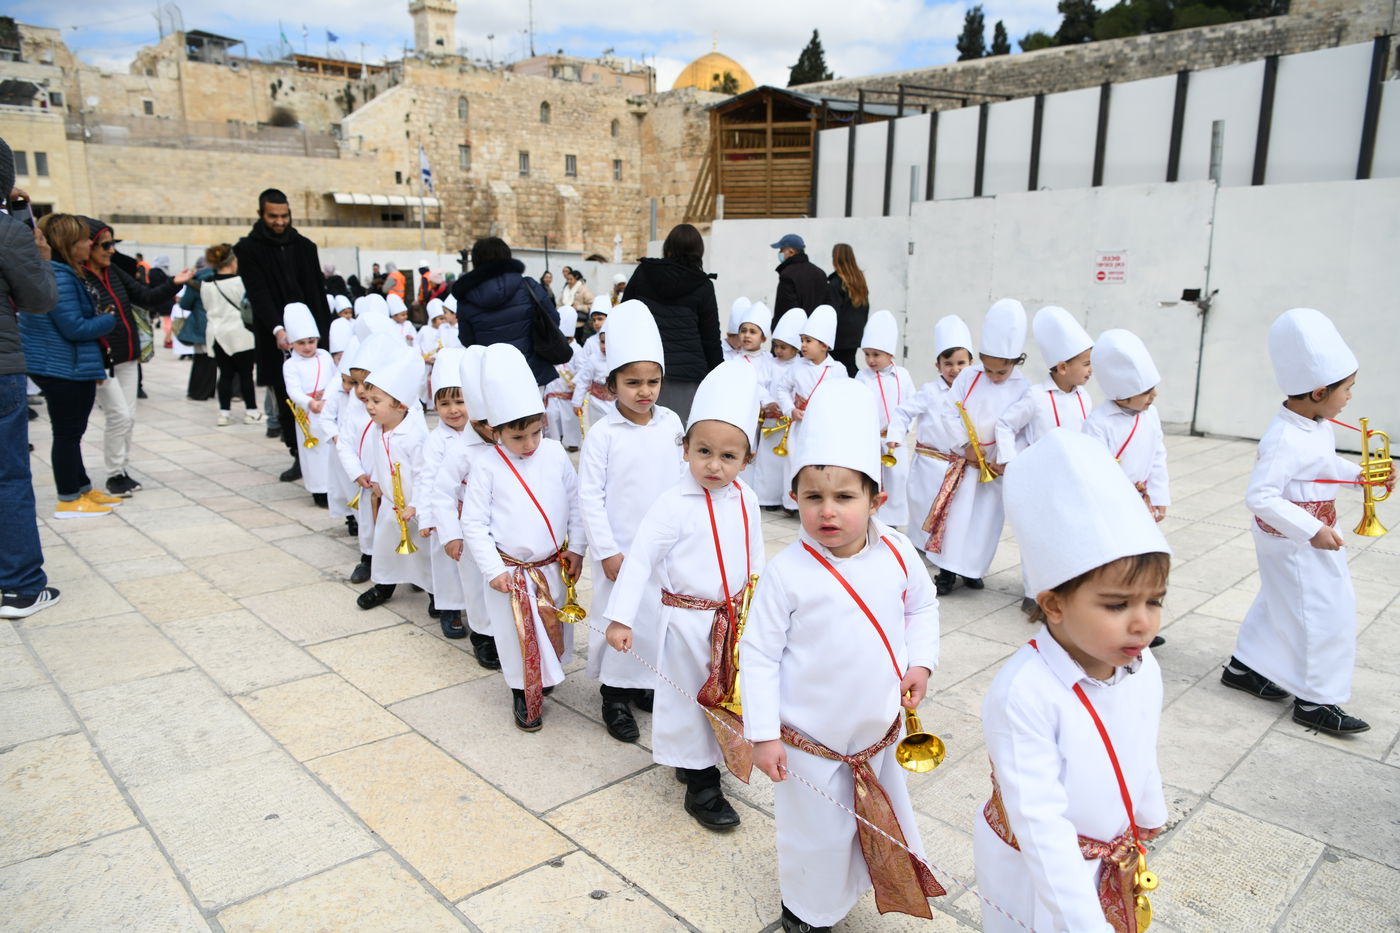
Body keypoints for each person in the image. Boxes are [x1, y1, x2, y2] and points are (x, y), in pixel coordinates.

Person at [742, 378, 944, 932]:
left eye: (844, 497)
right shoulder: (787, 573)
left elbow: (922, 609)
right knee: (816, 834)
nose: (827, 512)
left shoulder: (900, 551)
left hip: (878, 730)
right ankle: (805, 911)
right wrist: (763, 734)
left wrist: (920, 662)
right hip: (810, 741)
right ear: (794, 498)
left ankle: (855, 886)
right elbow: (757, 655)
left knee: (873, 822)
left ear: (876, 499)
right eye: (813, 497)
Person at [976, 429, 1171, 933]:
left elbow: (1141, 745)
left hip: (1112, 847)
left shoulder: (1143, 666)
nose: (1142, 622)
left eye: (1154, 601)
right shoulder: (1025, 693)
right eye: (1117, 605)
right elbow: (1039, 825)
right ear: (1054, 603)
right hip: (1035, 869)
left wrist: (1147, 814)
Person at [605, 359, 764, 830]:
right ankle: (701, 783)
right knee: (687, 701)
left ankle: (704, 761)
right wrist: (621, 618)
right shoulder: (671, 504)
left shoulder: (747, 500)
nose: (714, 466)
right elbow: (639, 562)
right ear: (685, 448)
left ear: (747, 460)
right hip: (685, 626)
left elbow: (756, 562)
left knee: (724, 696)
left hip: (730, 622)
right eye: (703, 451)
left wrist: (761, 615)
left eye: (728, 457)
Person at [1221, 308, 1394, 736]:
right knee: (1326, 611)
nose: (1351, 396)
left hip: (1304, 533)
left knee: (1280, 599)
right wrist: (1312, 529)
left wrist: (1360, 476)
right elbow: (1259, 496)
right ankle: (1317, 699)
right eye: (1347, 389)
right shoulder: (1282, 437)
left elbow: (1320, 464)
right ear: (1319, 391)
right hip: (1297, 537)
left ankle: (1244, 668)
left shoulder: (1315, 423)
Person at [462, 344, 584, 732]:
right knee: (517, 637)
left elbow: (576, 503)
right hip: (512, 573)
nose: (530, 444)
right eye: (518, 437)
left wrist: (577, 548)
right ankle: (522, 690)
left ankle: (544, 677)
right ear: (494, 431)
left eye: (536, 432)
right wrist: (493, 569)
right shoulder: (485, 466)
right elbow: (474, 523)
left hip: (551, 566)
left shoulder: (554, 454)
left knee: (551, 627)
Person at [578, 301, 682, 743]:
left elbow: (682, 483)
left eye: (653, 381)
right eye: (633, 382)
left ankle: (644, 685)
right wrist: (606, 550)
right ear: (612, 384)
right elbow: (589, 497)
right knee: (618, 616)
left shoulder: (672, 423)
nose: (645, 391)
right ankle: (614, 693)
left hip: (662, 549)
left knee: (656, 617)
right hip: (620, 549)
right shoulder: (603, 434)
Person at [924, 300, 1030, 596]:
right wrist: (964, 444)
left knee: (986, 521)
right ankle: (946, 571)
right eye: (989, 369)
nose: (994, 377)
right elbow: (949, 411)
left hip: (995, 467)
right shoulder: (969, 377)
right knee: (956, 518)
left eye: (1001, 371)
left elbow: (1023, 428)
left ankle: (973, 569)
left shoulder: (1025, 388)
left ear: (1016, 361)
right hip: (967, 460)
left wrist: (1007, 458)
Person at [81, 217, 191, 497]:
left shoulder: (114, 271)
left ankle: (120, 470)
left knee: (127, 416)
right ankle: (113, 473)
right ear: (89, 246)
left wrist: (174, 283)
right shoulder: (78, 277)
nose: (110, 250)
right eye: (105, 245)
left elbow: (145, 296)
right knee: (118, 415)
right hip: (101, 359)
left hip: (128, 356)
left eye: (112, 244)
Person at [23, 213, 119, 518]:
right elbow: (74, 327)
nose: (89, 243)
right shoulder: (58, 275)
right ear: (67, 244)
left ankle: (81, 488)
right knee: (66, 434)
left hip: (68, 364)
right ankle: (68, 498)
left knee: (72, 432)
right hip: (61, 366)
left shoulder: (61, 273)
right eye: (82, 239)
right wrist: (108, 319)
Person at [0, 139, 61, 619]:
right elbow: (40, 298)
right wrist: (24, 228)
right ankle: (20, 587)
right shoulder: (8, 231)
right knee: (9, 476)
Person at [234, 188, 328, 481]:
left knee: (321, 392)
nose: (279, 221)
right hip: (275, 334)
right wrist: (277, 327)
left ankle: (326, 451)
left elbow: (316, 291)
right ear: (262, 215)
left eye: (284, 215)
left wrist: (322, 335)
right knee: (289, 398)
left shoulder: (304, 246)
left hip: (313, 335)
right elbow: (258, 292)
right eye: (273, 216)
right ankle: (298, 453)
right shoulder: (248, 249)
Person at [888, 314, 975, 569]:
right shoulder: (928, 391)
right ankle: (920, 546)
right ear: (937, 365)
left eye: (961, 363)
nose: (955, 369)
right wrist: (895, 435)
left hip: (961, 465)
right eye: (948, 363)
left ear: (972, 363)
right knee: (924, 505)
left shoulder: (975, 391)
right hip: (929, 464)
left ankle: (951, 552)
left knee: (956, 512)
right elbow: (903, 411)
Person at [440, 344, 502, 670]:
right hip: (471, 533)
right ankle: (482, 635)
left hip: (504, 531)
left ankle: (505, 632)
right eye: (486, 423)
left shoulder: (507, 443)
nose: (495, 430)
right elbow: (442, 494)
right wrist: (451, 534)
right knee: (477, 587)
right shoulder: (460, 452)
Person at [622, 223, 723, 422]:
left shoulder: (644, 273)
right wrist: (717, 376)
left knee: (643, 432)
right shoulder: (703, 285)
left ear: (667, 247)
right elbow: (710, 337)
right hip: (689, 375)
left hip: (645, 368)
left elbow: (625, 317)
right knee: (680, 437)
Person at [356, 350, 431, 609]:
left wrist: (417, 504)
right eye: (368, 400)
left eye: (376, 400)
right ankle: (385, 584)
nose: (369, 406)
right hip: (391, 504)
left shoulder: (415, 436)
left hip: (413, 507)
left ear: (400, 405)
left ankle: (435, 594)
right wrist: (377, 481)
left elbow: (424, 474)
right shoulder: (379, 429)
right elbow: (379, 459)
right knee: (386, 546)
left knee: (423, 552)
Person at [408, 347, 472, 639]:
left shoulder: (480, 433)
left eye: (460, 401)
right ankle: (449, 608)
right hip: (445, 515)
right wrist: (426, 517)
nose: (453, 410)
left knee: (472, 564)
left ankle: (472, 605)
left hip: (475, 512)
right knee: (447, 564)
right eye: (444, 403)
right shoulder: (436, 440)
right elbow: (426, 478)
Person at [451, 236, 560, 387]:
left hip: (492, 374)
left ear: (475, 262)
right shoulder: (528, 286)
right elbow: (553, 320)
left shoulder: (466, 299)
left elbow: (468, 340)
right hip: (532, 370)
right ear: (507, 257)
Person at [775, 305, 848, 500]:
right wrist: (790, 409)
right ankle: (792, 501)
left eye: (808, 341)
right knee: (795, 459)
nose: (803, 345)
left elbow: (842, 397)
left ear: (824, 345)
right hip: (800, 425)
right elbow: (782, 389)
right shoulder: (796, 366)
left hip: (825, 427)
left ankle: (817, 496)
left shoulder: (837, 369)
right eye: (801, 341)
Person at [857, 309, 914, 528]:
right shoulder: (862, 377)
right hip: (872, 438)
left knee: (898, 479)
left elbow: (911, 404)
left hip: (895, 439)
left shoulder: (903, 376)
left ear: (890, 354)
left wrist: (902, 431)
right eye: (867, 354)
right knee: (872, 477)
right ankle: (872, 517)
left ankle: (894, 520)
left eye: (876, 355)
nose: (870, 360)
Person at [281, 303, 335, 508]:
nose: (307, 347)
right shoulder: (290, 365)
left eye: (311, 341)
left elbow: (334, 378)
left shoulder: (325, 356)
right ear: (292, 343)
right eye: (301, 342)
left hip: (328, 408)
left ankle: (334, 486)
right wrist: (309, 401)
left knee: (331, 449)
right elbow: (293, 390)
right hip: (308, 414)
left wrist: (327, 395)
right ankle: (319, 490)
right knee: (314, 453)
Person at [200, 244, 260, 427]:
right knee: (246, 374)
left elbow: (206, 307)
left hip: (216, 332)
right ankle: (251, 412)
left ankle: (223, 414)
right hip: (239, 333)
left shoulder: (206, 284)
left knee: (225, 374)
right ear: (233, 261)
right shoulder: (240, 282)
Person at [755, 307, 804, 511]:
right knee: (768, 463)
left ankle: (787, 498)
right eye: (776, 346)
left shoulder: (801, 366)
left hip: (791, 422)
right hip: (771, 421)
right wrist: (767, 402)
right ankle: (767, 499)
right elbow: (759, 385)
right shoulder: (769, 363)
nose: (778, 351)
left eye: (784, 347)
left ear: (795, 348)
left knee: (788, 462)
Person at [827, 243, 870, 377]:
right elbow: (865, 307)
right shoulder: (859, 280)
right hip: (855, 333)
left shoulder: (836, 282)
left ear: (836, 258)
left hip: (839, 335)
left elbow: (833, 311)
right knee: (849, 363)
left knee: (838, 366)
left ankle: (857, 388)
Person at [771, 234, 829, 316]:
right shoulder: (820, 273)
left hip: (795, 327)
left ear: (791, 252)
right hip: (816, 326)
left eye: (781, 250)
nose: (779, 253)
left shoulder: (787, 275)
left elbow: (786, 309)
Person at [722, 297, 750, 362]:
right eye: (740, 342)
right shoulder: (720, 350)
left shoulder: (746, 351)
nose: (742, 346)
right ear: (729, 335)